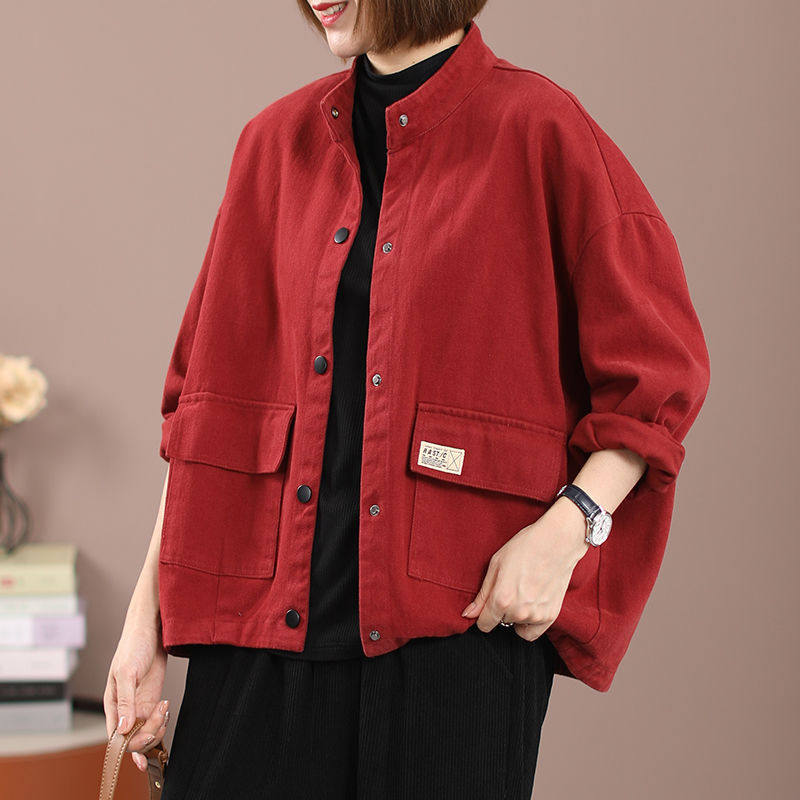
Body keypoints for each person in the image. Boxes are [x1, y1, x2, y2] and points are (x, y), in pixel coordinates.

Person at [104, 2, 711, 798]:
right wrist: (144, 624)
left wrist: (568, 532)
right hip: (257, 648)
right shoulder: (272, 145)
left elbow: (657, 375)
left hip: (454, 648)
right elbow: (206, 414)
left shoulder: (541, 131)